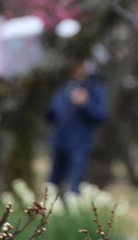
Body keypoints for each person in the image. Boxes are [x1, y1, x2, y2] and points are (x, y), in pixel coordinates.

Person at [46, 59, 109, 193]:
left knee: (73, 187)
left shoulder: (94, 87)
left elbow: (101, 116)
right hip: (59, 141)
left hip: (79, 145)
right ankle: (50, 212)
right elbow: (53, 113)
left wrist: (86, 103)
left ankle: (73, 213)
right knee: (52, 186)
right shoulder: (65, 86)